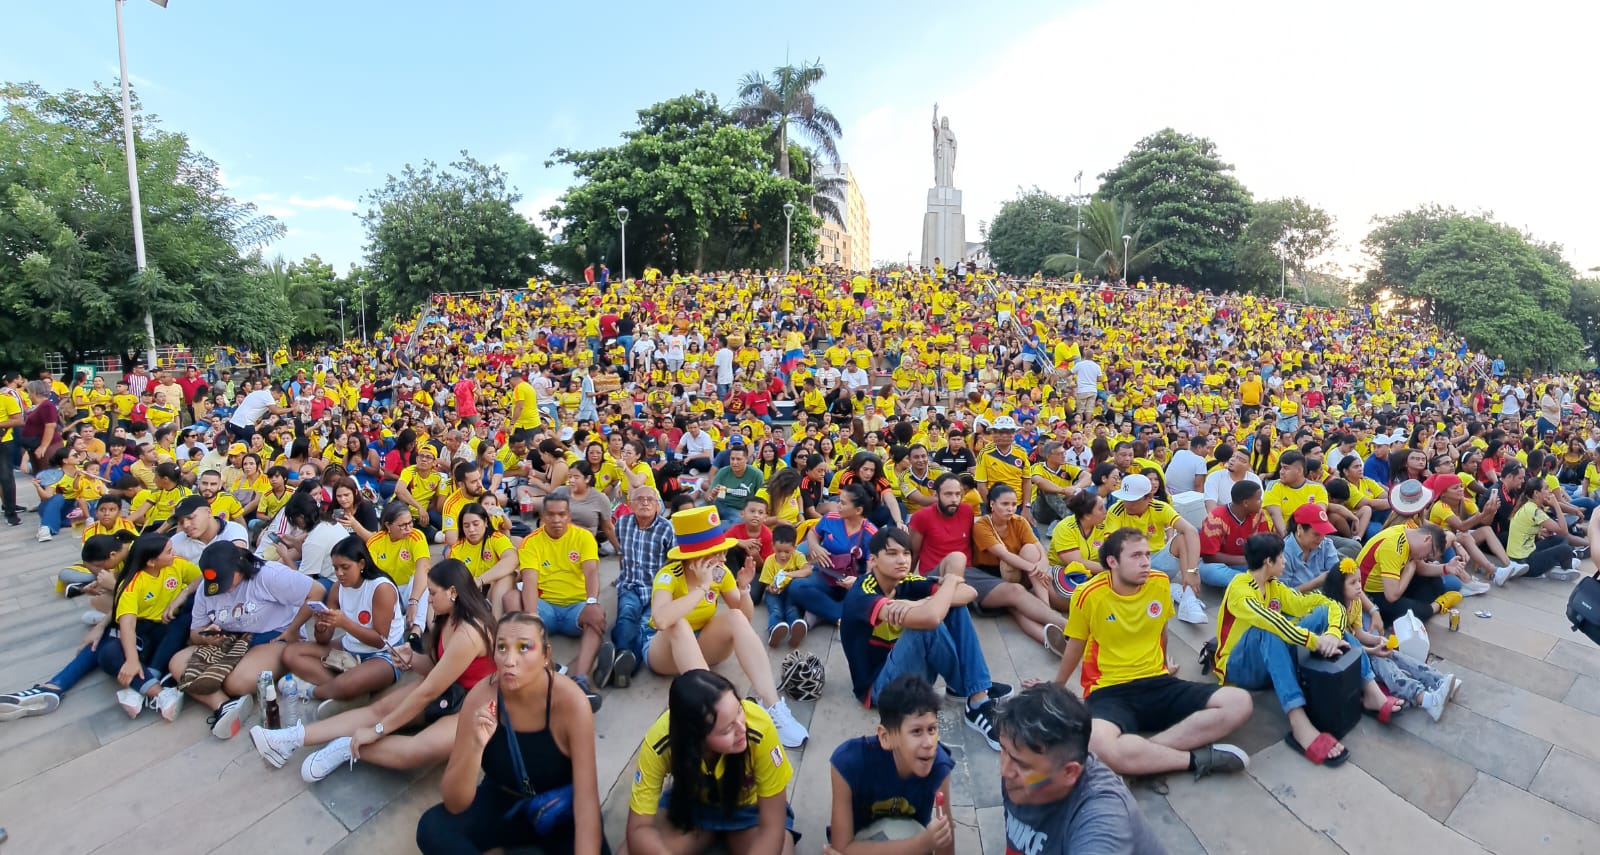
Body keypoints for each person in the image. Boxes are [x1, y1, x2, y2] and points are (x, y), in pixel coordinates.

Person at [253, 559, 498, 784]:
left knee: (416, 751)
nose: (429, 599)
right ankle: (291, 739)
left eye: (432, 593)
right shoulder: (447, 617)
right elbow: (437, 668)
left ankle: (348, 747)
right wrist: (412, 658)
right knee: (378, 710)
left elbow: (429, 690)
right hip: (450, 688)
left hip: (476, 705)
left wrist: (378, 730)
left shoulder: (469, 632)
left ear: (453, 592)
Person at [1048, 528, 1252, 780]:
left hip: (1158, 682)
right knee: (1096, 744)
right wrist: (1056, 688)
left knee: (1239, 702)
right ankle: (1192, 759)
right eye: (1135, 556)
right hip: (1109, 690)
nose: (1145, 562)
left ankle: (1140, 757)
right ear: (1112, 562)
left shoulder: (1158, 582)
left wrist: (1164, 664)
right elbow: (1075, 645)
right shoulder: (1088, 594)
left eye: (1147, 554)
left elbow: (1161, 631)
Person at [415, 612, 610, 855]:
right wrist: (475, 747)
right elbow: (455, 803)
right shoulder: (481, 697)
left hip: (559, 810)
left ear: (545, 655)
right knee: (433, 828)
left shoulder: (570, 703)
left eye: (523, 648)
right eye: (502, 648)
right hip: (503, 802)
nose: (509, 660)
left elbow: (586, 802)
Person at [1215, 534, 1407, 766]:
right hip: (1238, 667)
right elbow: (1271, 622)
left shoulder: (1275, 587)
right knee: (1269, 628)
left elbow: (1324, 603)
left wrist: (1332, 634)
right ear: (1268, 562)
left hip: (1269, 656)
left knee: (1325, 612)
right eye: (1281, 557)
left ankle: (1371, 692)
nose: (1285, 561)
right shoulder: (1240, 589)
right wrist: (1315, 641)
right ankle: (1299, 723)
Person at [643, 506, 809, 747]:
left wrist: (743, 590)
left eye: (722, 552)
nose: (723, 558)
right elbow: (661, 620)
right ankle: (717, 708)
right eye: (716, 553)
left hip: (702, 649)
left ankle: (772, 706)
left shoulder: (720, 574)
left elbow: (744, 617)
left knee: (734, 617)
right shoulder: (669, 575)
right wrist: (702, 587)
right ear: (696, 558)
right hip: (664, 652)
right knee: (677, 624)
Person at [841, 527, 1008, 749]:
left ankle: (975, 691)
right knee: (926, 624)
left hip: (909, 672)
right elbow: (930, 618)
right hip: (880, 689)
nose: (902, 560)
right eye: (892, 554)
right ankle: (975, 693)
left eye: (907, 553)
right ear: (872, 561)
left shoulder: (905, 581)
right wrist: (947, 585)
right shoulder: (863, 593)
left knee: (954, 607)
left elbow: (970, 593)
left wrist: (917, 603)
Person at [625, 670, 798, 855]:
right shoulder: (661, 741)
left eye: (739, 710)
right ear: (696, 739)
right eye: (727, 729)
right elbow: (638, 829)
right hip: (690, 806)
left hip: (751, 810)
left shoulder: (759, 728)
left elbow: (772, 826)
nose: (742, 728)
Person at [996, 682, 1166, 855]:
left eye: (1022, 765)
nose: (1005, 771)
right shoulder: (1021, 776)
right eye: (1003, 749)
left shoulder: (1103, 821)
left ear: (1069, 772)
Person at [0, 534, 133, 720]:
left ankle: (54, 686)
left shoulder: (140, 553)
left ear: (111, 554)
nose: (97, 571)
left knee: (106, 637)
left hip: (152, 615)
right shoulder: (128, 552)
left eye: (97, 567)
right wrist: (105, 586)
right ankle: (53, 688)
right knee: (99, 608)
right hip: (135, 609)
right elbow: (129, 595)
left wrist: (113, 592)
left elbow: (136, 598)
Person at [827, 674, 955, 855]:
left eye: (931, 729)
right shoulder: (848, 764)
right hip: (863, 841)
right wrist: (922, 844)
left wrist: (935, 839)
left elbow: (946, 848)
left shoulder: (939, 766)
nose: (928, 743)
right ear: (885, 737)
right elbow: (841, 848)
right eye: (916, 731)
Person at [1319, 561, 1459, 722]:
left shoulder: (1355, 602)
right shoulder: (1333, 610)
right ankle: (1424, 699)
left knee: (1395, 655)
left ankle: (1438, 680)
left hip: (1358, 648)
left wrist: (1378, 639)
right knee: (1383, 662)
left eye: (1359, 580)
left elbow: (1358, 634)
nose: (1359, 586)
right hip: (1345, 657)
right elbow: (1346, 646)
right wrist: (1373, 650)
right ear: (1339, 587)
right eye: (1353, 583)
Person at [280, 534, 405, 707]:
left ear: (361, 564)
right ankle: (345, 692)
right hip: (349, 647)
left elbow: (379, 640)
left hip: (385, 653)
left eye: (345, 567)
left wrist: (344, 623)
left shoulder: (380, 588)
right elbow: (323, 640)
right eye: (336, 568)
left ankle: (314, 691)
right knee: (290, 653)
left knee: (350, 683)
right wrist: (322, 627)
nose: (339, 573)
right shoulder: (338, 588)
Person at [517, 492, 609, 709]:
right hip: (545, 606)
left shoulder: (584, 537)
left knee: (597, 615)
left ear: (569, 515)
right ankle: (547, 668)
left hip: (576, 606)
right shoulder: (530, 542)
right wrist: (531, 618)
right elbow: (529, 580)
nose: (556, 520)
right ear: (542, 516)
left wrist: (592, 601)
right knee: (512, 598)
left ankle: (581, 680)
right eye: (551, 515)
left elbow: (591, 573)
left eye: (562, 514)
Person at [100, 533, 199, 721]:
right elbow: (127, 624)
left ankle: (138, 688)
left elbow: (201, 578)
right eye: (169, 551)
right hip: (141, 632)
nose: (174, 553)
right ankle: (160, 693)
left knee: (184, 619)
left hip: (167, 627)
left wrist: (183, 594)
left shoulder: (176, 564)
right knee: (108, 654)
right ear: (152, 562)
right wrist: (131, 660)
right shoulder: (131, 584)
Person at [971, 484, 1068, 652]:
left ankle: (1046, 610)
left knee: (1030, 549)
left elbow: (1039, 549)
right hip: (994, 577)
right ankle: (1047, 637)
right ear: (992, 504)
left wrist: (1041, 566)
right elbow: (1004, 555)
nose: (1010, 509)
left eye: (1014, 504)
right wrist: (1034, 569)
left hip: (1022, 572)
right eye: (1005, 504)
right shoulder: (982, 526)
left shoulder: (1019, 521)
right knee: (1017, 607)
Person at [1101, 473, 1209, 624]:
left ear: (1149, 497)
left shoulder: (1160, 508)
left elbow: (1190, 530)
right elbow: (1111, 545)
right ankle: (1168, 588)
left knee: (1183, 537)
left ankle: (1188, 599)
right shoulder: (1116, 510)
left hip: (1157, 559)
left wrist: (1193, 570)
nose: (1128, 504)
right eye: (1125, 499)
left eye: (1133, 500)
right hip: (1131, 563)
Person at [610, 485, 674, 688]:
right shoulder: (622, 523)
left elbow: (674, 563)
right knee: (627, 614)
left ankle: (622, 663)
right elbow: (622, 554)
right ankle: (625, 661)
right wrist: (621, 577)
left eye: (650, 500)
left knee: (645, 625)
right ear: (630, 504)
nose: (645, 502)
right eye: (640, 499)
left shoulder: (666, 528)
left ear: (657, 505)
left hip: (656, 589)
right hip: (630, 584)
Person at [1358, 523, 1465, 626]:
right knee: (1421, 612)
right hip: (1371, 594)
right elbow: (1392, 596)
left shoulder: (1409, 534)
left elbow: (1421, 568)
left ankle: (1406, 611)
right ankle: (1437, 606)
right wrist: (1409, 570)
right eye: (1428, 554)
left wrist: (1446, 568)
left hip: (1391, 583)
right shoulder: (1393, 547)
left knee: (1435, 582)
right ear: (1427, 539)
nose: (1426, 558)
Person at [1196, 480, 1273, 589]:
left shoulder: (1258, 514)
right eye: (1258, 499)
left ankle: (1242, 583)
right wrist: (1246, 560)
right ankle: (1250, 582)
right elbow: (1209, 557)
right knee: (1210, 571)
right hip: (1220, 566)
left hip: (1246, 564)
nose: (1261, 502)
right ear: (1246, 503)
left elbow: (1264, 544)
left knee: (1275, 563)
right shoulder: (1216, 518)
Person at [447, 502, 520, 615]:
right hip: (472, 594)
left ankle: (495, 622)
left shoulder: (495, 538)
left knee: (507, 576)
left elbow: (512, 559)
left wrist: (480, 580)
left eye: (476, 524)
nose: (471, 529)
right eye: (466, 526)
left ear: (486, 522)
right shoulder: (457, 548)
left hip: (494, 590)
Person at [759, 524, 809, 648]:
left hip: (791, 591)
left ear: (795, 547)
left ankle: (796, 631)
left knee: (792, 609)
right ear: (773, 547)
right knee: (775, 611)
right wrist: (772, 588)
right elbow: (766, 584)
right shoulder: (770, 561)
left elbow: (807, 570)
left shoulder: (798, 556)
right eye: (779, 551)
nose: (783, 555)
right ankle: (774, 630)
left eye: (787, 551)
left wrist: (789, 574)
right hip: (773, 593)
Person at [167, 494, 249, 563]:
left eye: (190, 517)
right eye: (181, 522)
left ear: (208, 512)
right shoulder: (177, 541)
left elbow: (235, 564)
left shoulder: (233, 530)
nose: (185, 525)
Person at [708, 443, 764, 522]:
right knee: (700, 512)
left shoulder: (756, 474)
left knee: (738, 523)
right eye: (732, 459)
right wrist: (712, 496)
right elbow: (709, 496)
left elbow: (760, 499)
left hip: (740, 510)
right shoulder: (723, 472)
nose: (734, 462)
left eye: (738, 459)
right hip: (721, 504)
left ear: (746, 459)